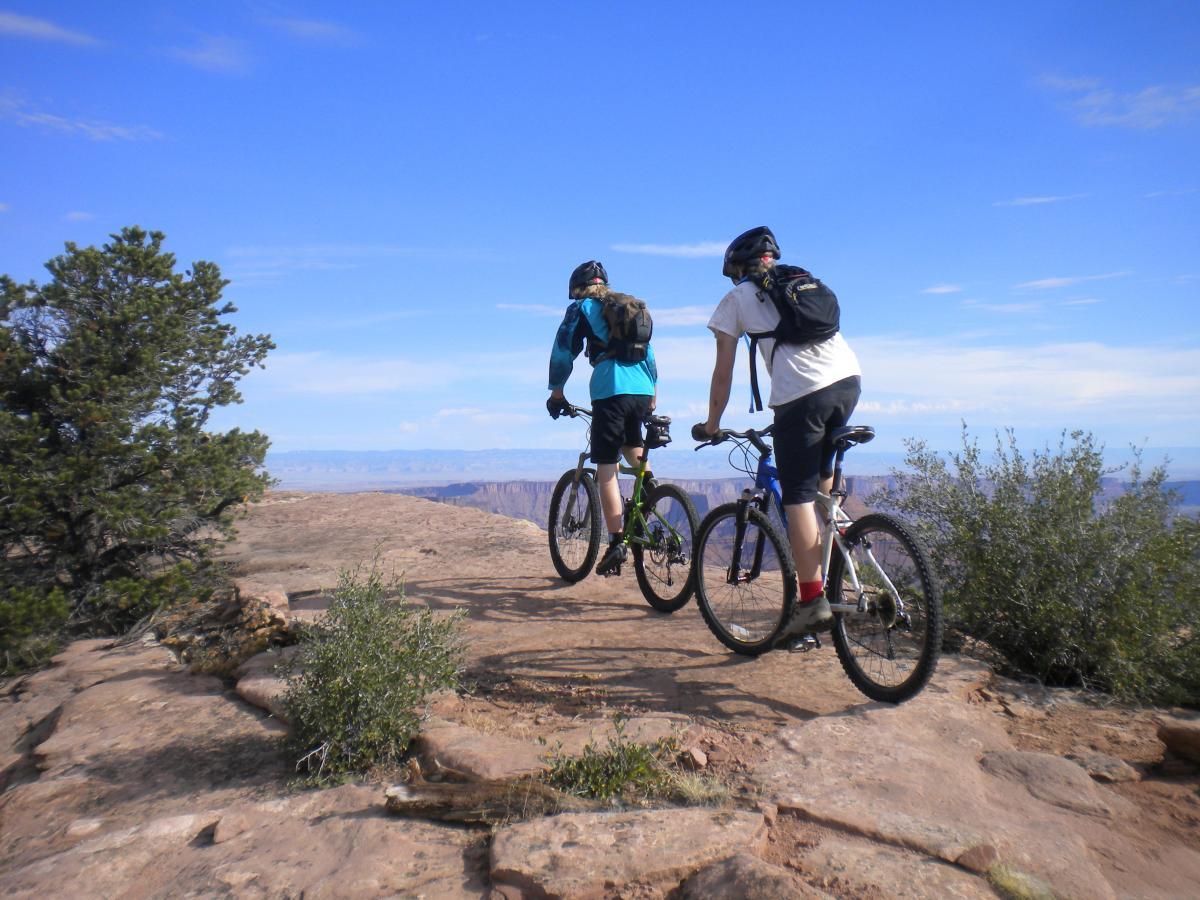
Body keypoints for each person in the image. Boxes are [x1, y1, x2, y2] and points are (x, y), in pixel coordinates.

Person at [695, 227, 861, 641]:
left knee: (797, 499)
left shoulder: (737, 298)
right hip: (848, 382)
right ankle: (836, 570)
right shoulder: (801, 281)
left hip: (801, 396)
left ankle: (811, 605)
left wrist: (712, 424)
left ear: (738, 268)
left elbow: (723, 372)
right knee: (822, 493)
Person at [547, 260, 658, 575]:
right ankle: (651, 487)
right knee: (631, 444)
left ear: (579, 288)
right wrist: (653, 394)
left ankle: (617, 541)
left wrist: (557, 394)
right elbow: (648, 352)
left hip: (611, 390)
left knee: (606, 470)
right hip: (642, 389)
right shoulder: (628, 307)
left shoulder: (582, 308)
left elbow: (563, 351)